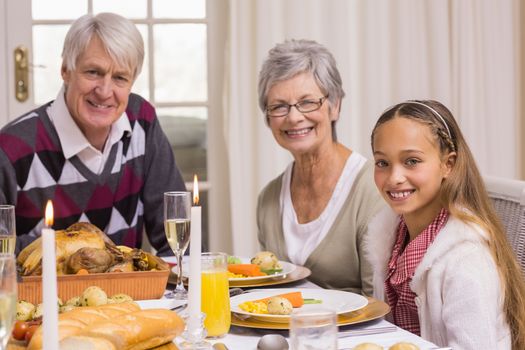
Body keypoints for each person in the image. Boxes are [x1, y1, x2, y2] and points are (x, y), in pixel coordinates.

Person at [0, 13, 185, 256]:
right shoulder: (12, 148)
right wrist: (66, 250)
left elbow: (179, 245)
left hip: (129, 295)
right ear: (66, 70)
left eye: (120, 77)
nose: (105, 91)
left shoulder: (142, 122)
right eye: (93, 72)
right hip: (39, 294)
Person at [367, 100, 525, 349]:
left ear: (447, 165)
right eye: (382, 163)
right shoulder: (390, 239)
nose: (394, 178)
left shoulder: (466, 259)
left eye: (412, 161)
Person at [256, 39, 385, 295]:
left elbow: (380, 304)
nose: (294, 117)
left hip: (357, 334)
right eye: (279, 106)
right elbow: (267, 296)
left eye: (307, 102)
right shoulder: (268, 199)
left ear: (334, 106)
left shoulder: (373, 188)